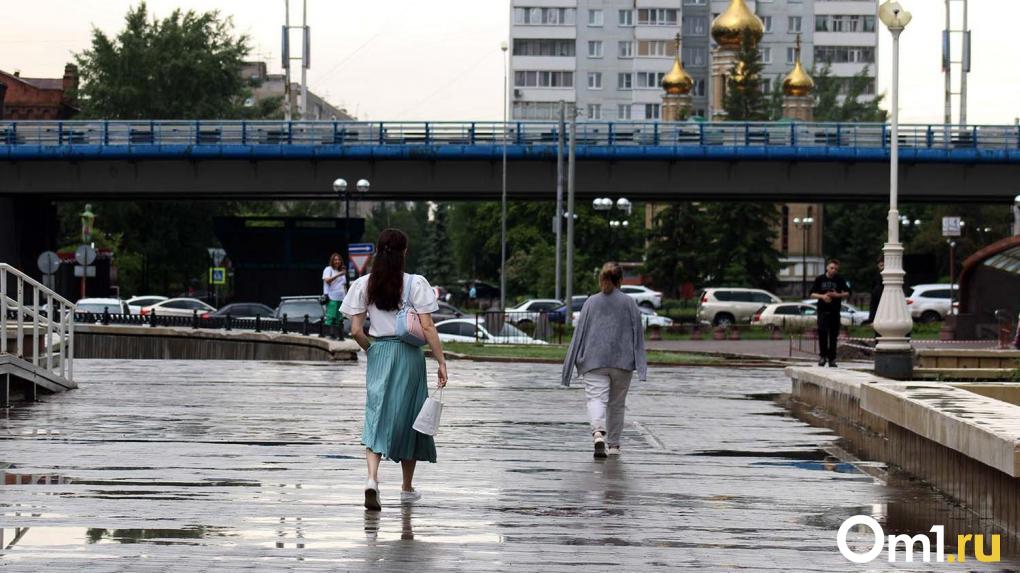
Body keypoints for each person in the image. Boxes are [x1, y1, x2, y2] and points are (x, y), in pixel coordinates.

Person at [340, 229, 448, 511]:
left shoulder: (363, 285)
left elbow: (355, 330)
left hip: (380, 352)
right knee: (410, 416)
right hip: (410, 355)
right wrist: (441, 361)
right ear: (404, 253)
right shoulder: (415, 284)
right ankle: (406, 487)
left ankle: (372, 480)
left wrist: (372, 350)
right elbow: (427, 326)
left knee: (376, 413)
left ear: (377, 251)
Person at [561, 262, 647, 459]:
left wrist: (570, 364)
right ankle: (614, 445)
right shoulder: (629, 302)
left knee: (596, 398)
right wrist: (640, 364)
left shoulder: (591, 302)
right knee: (617, 404)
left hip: (593, 360)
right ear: (621, 280)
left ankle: (598, 433)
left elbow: (579, 332)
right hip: (622, 362)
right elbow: (638, 334)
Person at [811, 259, 851, 368]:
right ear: (827, 267)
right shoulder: (820, 279)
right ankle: (822, 357)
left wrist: (837, 295)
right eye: (832, 268)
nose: (834, 271)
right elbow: (812, 294)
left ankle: (832, 359)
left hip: (834, 311)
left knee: (833, 336)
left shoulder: (839, 280)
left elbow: (848, 293)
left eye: (836, 269)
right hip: (823, 311)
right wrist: (823, 296)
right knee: (823, 334)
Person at [322, 253, 347, 334]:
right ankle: (327, 334)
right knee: (330, 317)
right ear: (332, 261)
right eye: (335, 260)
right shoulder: (328, 269)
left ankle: (337, 334)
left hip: (341, 297)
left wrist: (346, 296)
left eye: (339, 260)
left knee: (339, 318)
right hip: (331, 297)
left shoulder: (341, 271)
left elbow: (343, 285)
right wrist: (339, 274)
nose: (337, 261)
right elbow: (327, 280)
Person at [865, 257, 884, 326]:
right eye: (880, 264)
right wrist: (872, 318)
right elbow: (873, 304)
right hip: (877, 299)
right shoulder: (876, 277)